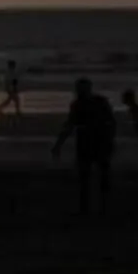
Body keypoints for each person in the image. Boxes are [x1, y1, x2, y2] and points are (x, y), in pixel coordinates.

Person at [51, 78, 117, 214]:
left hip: (93, 142)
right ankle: (96, 205)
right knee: (92, 175)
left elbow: (69, 126)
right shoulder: (96, 102)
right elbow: (111, 122)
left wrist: (58, 144)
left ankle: (95, 205)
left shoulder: (83, 104)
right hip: (93, 142)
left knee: (93, 176)